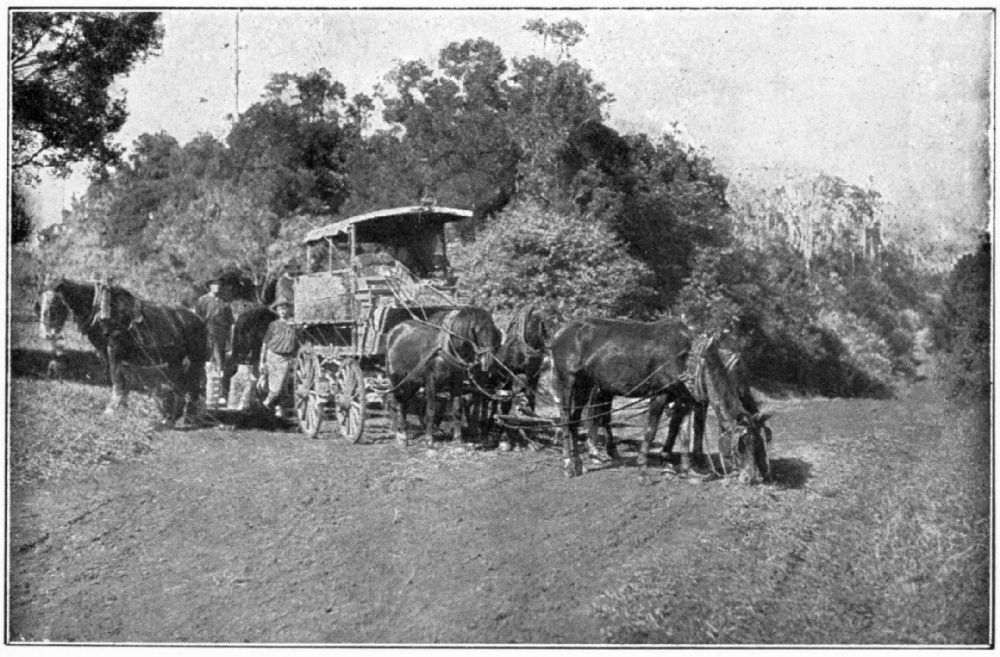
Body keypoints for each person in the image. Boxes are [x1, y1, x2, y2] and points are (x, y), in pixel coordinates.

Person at [194, 271, 235, 402]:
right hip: (206, 333)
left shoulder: (224, 302)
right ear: (210, 286)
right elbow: (196, 320)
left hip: (221, 335)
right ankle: (203, 392)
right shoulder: (202, 300)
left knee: (220, 363)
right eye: (214, 284)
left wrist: (230, 343)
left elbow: (230, 323)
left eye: (219, 284)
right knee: (205, 362)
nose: (217, 287)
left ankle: (220, 394)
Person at [258, 298, 298, 416]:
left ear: (289, 310)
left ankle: (277, 408)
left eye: (285, 309)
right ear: (277, 311)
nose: (283, 311)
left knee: (283, 385)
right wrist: (262, 361)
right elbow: (265, 343)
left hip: (287, 357)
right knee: (276, 386)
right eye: (280, 309)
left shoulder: (294, 324)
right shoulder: (274, 325)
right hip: (274, 356)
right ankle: (265, 405)